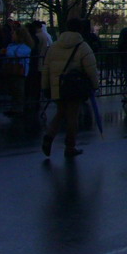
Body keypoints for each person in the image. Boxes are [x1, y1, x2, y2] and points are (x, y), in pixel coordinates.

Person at [41, 17, 99, 158]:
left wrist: (45, 87)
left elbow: (46, 68)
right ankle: (70, 146)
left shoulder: (54, 46)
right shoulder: (82, 46)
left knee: (60, 112)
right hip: (74, 86)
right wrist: (95, 85)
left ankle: (49, 136)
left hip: (58, 86)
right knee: (73, 117)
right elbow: (91, 68)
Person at [3, 25, 34, 117]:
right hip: (13, 69)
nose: (12, 36)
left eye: (14, 35)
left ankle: (19, 108)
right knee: (13, 89)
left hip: (20, 69)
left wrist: (8, 51)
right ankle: (14, 107)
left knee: (19, 89)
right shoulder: (12, 45)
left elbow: (16, 54)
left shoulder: (25, 47)